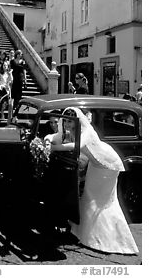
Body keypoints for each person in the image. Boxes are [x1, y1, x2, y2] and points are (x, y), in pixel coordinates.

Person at [48, 107, 139, 254]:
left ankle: (113, 239)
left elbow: (76, 145)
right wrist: (49, 139)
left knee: (101, 202)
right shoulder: (70, 130)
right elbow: (57, 136)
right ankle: (85, 235)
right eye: (65, 121)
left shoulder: (87, 132)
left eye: (70, 122)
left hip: (107, 164)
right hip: (95, 165)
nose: (67, 125)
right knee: (89, 198)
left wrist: (55, 148)